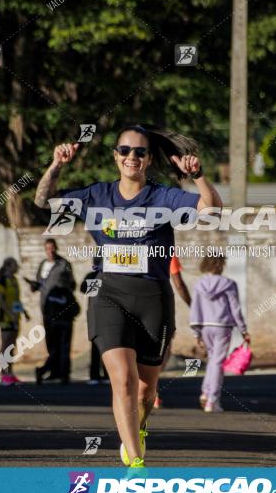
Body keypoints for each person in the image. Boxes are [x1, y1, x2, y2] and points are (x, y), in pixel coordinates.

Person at [34, 123, 221, 468]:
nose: (131, 157)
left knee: (146, 392)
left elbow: (211, 212)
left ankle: (139, 425)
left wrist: (198, 176)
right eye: (124, 150)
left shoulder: (163, 197)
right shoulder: (95, 196)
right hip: (109, 295)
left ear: (149, 159)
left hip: (154, 299)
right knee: (122, 380)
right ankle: (135, 462)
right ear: (115, 156)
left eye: (139, 152)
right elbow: (43, 200)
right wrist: (56, 165)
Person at [189, 255, 249, 413]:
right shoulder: (228, 284)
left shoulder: (199, 284)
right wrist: (243, 330)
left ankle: (206, 392)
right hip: (223, 327)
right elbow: (235, 308)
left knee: (213, 360)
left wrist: (196, 333)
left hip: (205, 327)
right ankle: (212, 401)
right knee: (218, 363)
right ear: (219, 265)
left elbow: (195, 308)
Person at [29, 239, 77, 385]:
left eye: (52, 248)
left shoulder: (64, 264)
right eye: (47, 249)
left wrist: (63, 292)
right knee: (51, 343)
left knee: (64, 343)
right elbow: (39, 284)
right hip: (47, 310)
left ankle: (63, 373)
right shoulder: (43, 265)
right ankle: (54, 371)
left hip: (61, 309)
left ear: (56, 248)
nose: (50, 251)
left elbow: (72, 284)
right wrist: (34, 286)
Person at [154, 255, 191, 408]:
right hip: (159, 304)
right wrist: (192, 304)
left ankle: (145, 389)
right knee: (164, 350)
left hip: (131, 302)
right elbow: (179, 284)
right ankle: (151, 390)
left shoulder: (127, 244)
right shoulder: (166, 249)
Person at [0, 257, 28, 385]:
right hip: (6, 319)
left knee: (12, 346)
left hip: (15, 318)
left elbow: (16, 299)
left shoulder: (14, 281)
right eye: (15, 265)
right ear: (8, 266)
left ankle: (10, 373)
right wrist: (10, 313)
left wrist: (24, 312)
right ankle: (4, 375)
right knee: (5, 346)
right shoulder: (1, 282)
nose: (17, 267)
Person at [80, 271, 108, 386]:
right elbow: (85, 289)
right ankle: (94, 375)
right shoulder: (92, 275)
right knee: (95, 347)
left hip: (108, 315)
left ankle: (107, 374)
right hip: (95, 315)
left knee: (109, 347)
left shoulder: (112, 275)